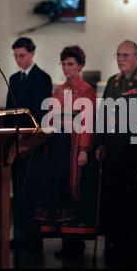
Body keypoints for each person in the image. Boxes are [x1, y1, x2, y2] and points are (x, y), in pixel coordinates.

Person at [36, 45, 98, 258]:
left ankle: (76, 243)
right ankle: (66, 241)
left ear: (80, 65)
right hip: (58, 145)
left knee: (75, 189)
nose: (66, 68)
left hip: (74, 144)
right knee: (60, 189)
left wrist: (84, 150)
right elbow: (50, 119)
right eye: (63, 64)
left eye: (70, 64)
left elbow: (87, 123)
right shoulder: (58, 90)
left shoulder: (87, 90)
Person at [96, 40, 137, 266]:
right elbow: (103, 114)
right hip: (113, 151)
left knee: (135, 203)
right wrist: (100, 143)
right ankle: (114, 244)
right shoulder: (113, 81)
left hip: (136, 152)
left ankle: (135, 248)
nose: (121, 59)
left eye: (126, 55)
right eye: (118, 55)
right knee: (113, 201)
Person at [6, 37, 52, 257]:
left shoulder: (43, 78)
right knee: (18, 193)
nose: (18, 60)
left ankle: (33, 239)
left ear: (32, 54)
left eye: (22, 56)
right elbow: (8, 111)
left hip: (32, 145)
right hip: (15, 145)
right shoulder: (13, 79)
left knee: (32, 193)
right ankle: (19, 235)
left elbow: (41, 113)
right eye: (15, 56)